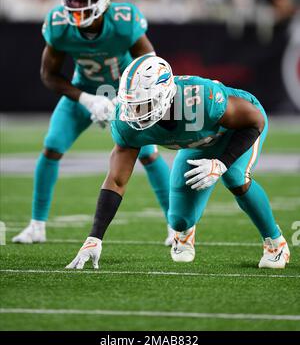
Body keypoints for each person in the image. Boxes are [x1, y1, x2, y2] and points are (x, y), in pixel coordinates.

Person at [66, 55, 290, 270]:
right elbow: (116, 180)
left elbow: (254, 121)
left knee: (235, 177)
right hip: (197, 143)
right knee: (178, 220)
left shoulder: (201, 99)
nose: (135, 113)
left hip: (236, 129)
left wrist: (221, 164)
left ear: (164, 96)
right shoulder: (126, 122)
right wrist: (94, 238)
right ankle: (185, 232)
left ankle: (275, 243)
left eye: (142, 105)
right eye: (131, 104)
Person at [13, 0, 173, 246]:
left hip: (126, 92)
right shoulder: (59, 25)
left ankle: (176, 226)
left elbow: (151, 66)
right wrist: (87, 99)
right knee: (51, 147)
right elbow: (48, 75)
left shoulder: (124, 21)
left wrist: (126, 100)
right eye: (71, 1)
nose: (75, 9)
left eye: (83, 1)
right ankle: (36, 225)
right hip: (83, 90)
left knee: (148, 153)